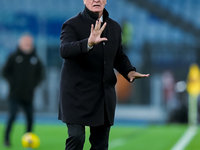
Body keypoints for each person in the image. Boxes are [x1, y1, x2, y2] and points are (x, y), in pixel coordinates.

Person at [58, 0, 149, 149]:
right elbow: (64, 50)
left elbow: (118, 56)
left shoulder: (114, 27)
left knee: (100, 144)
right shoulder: (71, 25)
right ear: (84, 0)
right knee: (77, 137)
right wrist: (88, 43)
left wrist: (129, 71)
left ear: (106, 1)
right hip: (76, 95)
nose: (96, 0)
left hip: (102, 96)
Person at [2, 34, 44, 147]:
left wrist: (33, 84)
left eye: (29, 42)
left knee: (30, 118)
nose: (28, 44)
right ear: (20, 43)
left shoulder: (35, 58)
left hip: (29, 95)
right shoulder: (13, 57)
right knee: (12, 117)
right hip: (14, 94)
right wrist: (13, 83)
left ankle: (28, 140)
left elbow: (41, 74)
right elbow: (5, 72)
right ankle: (6, 139)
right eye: (26, 42)